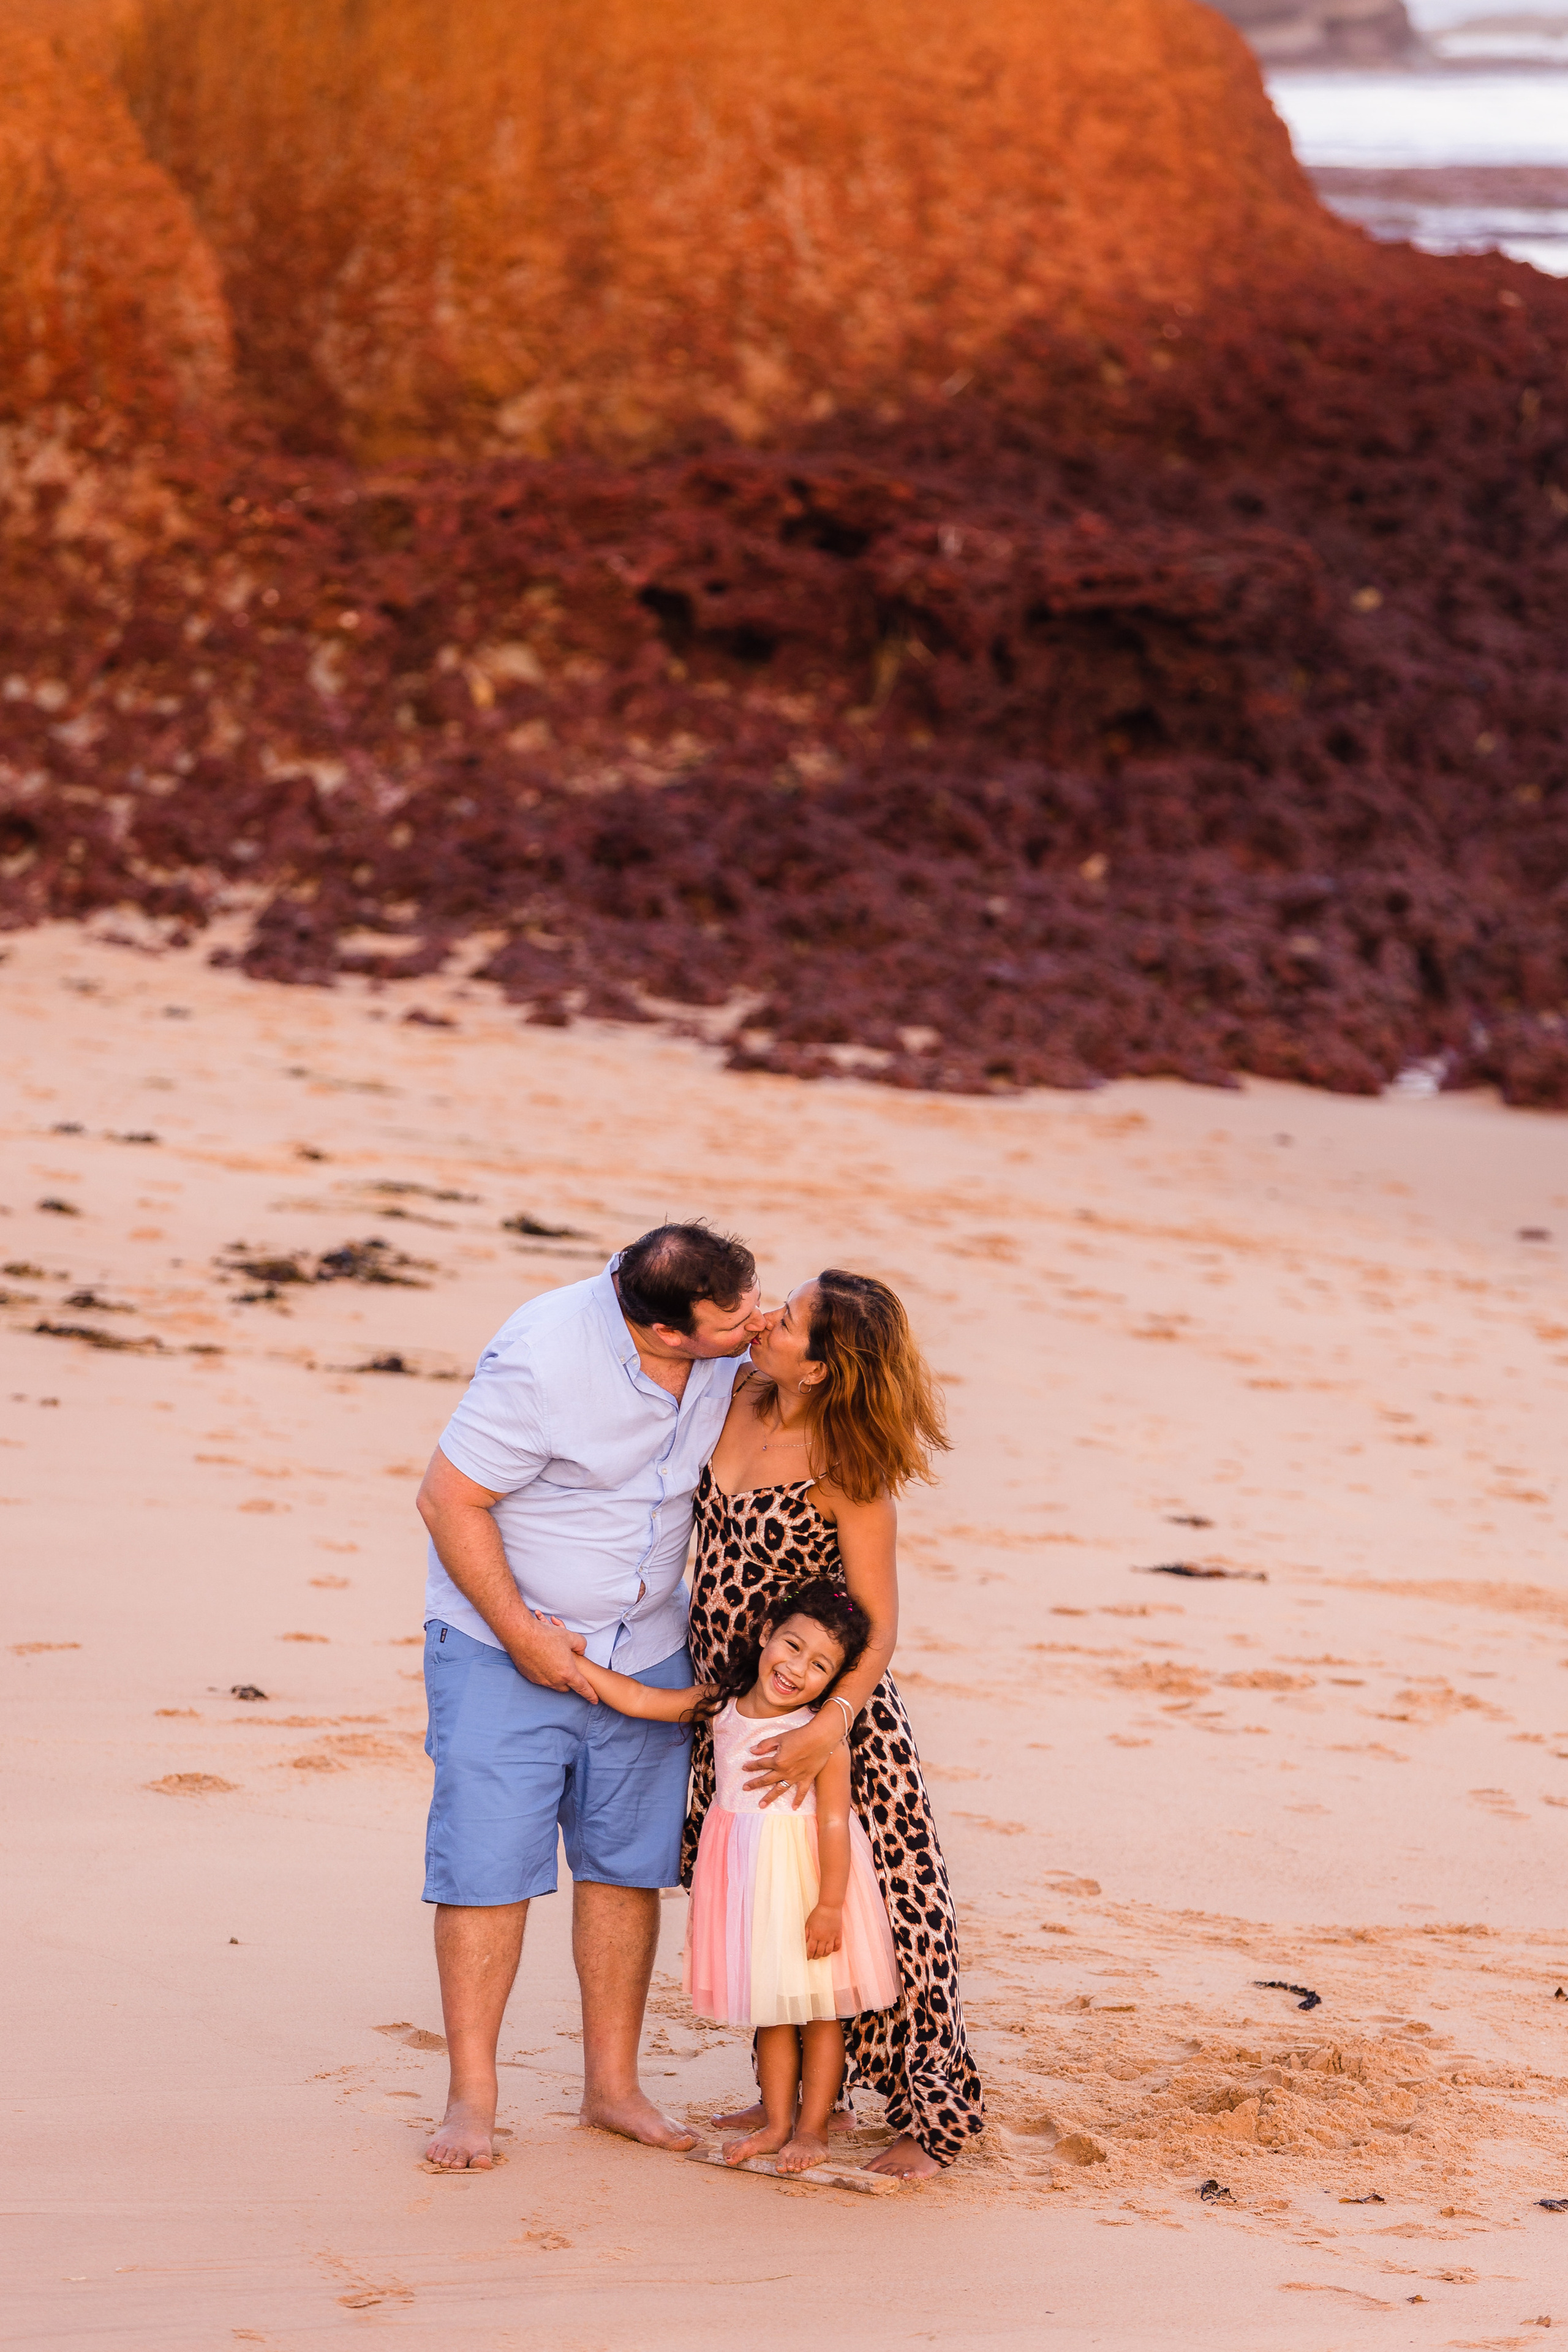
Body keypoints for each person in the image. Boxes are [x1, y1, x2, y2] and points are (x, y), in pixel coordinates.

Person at [413, 1220, 764, 2171]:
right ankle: (471, 2101)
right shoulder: (542, 1356)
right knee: (488, 1870)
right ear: (665, 1331)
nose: (755, 1327)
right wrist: (525, 1636)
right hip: (502, 1642)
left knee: (623, 1866)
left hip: (650, 1643)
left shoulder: (730, 1345)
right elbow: (448, 1499)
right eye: (734, 1322)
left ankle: (612, 2088)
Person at [682, 1270, 986, 2176]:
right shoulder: (738, 1389)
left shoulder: (848, 1476)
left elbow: (882, 1625)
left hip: (835, 1723)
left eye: (792, 1319)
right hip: (739, 1711)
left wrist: (831, 1725)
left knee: (890, 1913)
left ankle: (931, 2123)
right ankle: (805, 2102)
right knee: (770, 1909)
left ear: (821, 1370)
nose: (770, 1315)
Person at [566, 1578, 901, 2174]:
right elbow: (644, 1701)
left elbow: (832, 1824)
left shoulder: (821, 1736)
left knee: (821, 2012)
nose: (798, 1669)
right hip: (749, 1882)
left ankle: (815, 2129)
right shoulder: (721, 1705)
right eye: (793, 1646)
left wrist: (828, 1906)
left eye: (821, 1665)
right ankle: (776, 2122)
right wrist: (575, 1663)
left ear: (835, 1680)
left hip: (806, 1884)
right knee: (771, 2011)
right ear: (768, 1634)